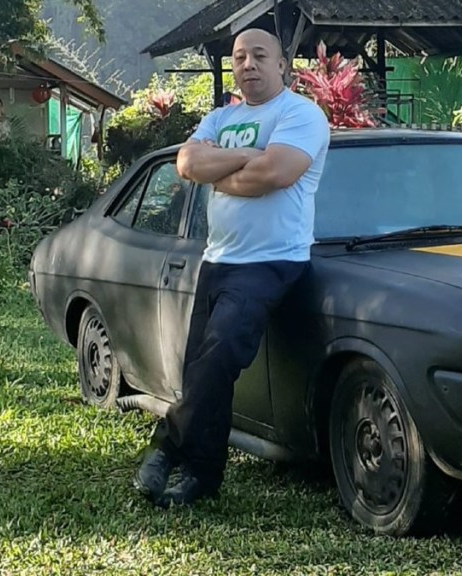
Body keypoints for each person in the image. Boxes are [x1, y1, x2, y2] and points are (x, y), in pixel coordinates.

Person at [132, 28, 330, 508]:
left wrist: (219, 174)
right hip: (217, 259)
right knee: (203, 368)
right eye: (240, 57)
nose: (248, 65)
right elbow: (186, 164)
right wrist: (245, 156)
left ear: (283, 65)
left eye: (260, 56)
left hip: (270, 261)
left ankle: (165, 447)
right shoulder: (220, 116)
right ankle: (202, 474)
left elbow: (274, 174)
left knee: (219, 357)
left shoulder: (300, 114)